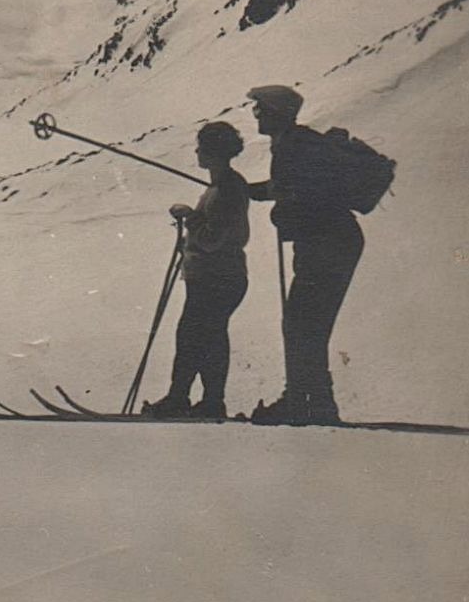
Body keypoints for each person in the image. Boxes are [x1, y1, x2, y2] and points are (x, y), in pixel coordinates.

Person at [243, 84, 363, 426]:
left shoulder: (295, 146)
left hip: (329, 244)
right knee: (305, 323)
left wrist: (281, 213)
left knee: (302, 323)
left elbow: (306, 195)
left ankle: (306, 402)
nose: (256, 116)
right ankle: (311, 401)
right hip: (332, 243)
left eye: (260, 110)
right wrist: (260, 192)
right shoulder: (294, 144)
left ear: (276, 114)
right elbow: (292, 187)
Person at [143, 122, 251, 421]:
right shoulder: (222, 185)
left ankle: (186, 399)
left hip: (216, 277)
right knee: (206, 336)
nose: (197, 151)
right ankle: (205, 400)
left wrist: (189, 217)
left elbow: (212, 240)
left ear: (214, 152)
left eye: (202, 147)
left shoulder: (226, 189)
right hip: (217, 276)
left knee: (195, 336)